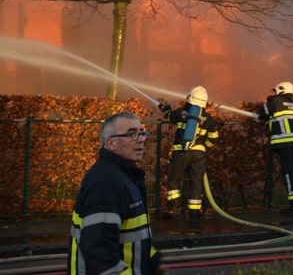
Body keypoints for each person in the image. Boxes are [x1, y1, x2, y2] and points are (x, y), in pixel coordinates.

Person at [68, 111, 168, 275]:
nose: (142, 138)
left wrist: (153, 261)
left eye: (142, 132)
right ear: (111, 143)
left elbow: (131, 236)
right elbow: (100, 251)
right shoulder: (105, 182)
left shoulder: (125, 176)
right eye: (132, 134)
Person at [158, 85, 219, 226]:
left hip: (181, 152)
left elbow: (170, 117)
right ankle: (194, 216)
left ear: (190, 98)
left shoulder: (181, 113)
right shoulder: (208, 118)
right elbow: (214, 137)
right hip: (199, 155)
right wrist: (204, 146)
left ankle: (174, 210)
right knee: (196, 184)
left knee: (174, 179)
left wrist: (166, 109)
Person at [256, 81, 293, 217]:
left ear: (281, 91)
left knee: (290, 174)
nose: (273, 94)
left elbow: (262, 112)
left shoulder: (275, 101)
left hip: (287, 144)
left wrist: (269, 101)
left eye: (275, 91)